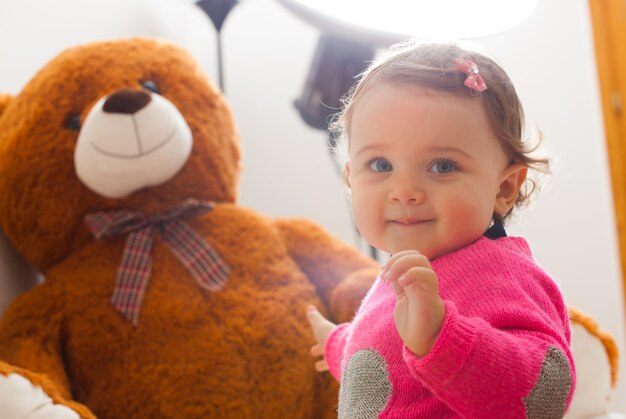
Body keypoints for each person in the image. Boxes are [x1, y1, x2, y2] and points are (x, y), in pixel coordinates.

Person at [306, 40, 575, 418]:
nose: (404, 192)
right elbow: (381, 363)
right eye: (381, 165)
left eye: (442, 167)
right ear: (351, 178)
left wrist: (440, 338)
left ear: (503, 188)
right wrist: (337, 344)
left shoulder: (501, 275)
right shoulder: (405, 276)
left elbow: (544, 392)